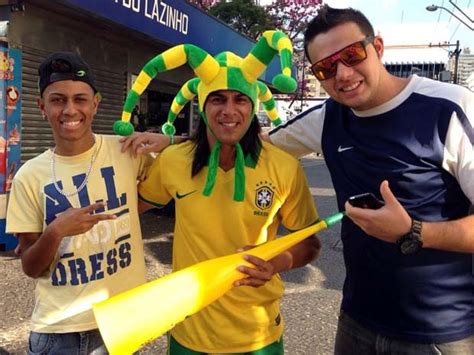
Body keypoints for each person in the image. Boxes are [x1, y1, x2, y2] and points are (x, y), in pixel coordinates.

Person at [264, 5, 474, 355]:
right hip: (356, 322)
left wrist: (414, 231)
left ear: (377, 47)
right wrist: (171, 143)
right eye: (326, 68)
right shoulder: (329, 117)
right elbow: (256, 142)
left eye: (351, 55)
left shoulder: (448, 108)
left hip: (439, 333)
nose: (342, 74)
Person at [119, 31, 321, 354]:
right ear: (203, 104)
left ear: (253, 104)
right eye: (218, 99)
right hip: (189, 334)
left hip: (259, 338)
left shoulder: (284, 168)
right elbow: (129, 208)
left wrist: (277, 263)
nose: (229, 110)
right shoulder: (174, 161)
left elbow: (309, 244)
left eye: (239, 99)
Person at [6, 52, 152, 354]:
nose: (70, 110)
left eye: (80, 99)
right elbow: (31, 266)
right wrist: (56, 231)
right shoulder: (28, 176)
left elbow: (187, 167)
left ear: (95, 104)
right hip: (60, 334)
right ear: (42, 107)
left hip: (122, 323)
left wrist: (168, 141)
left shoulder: (127, 151)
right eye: (58, 100)